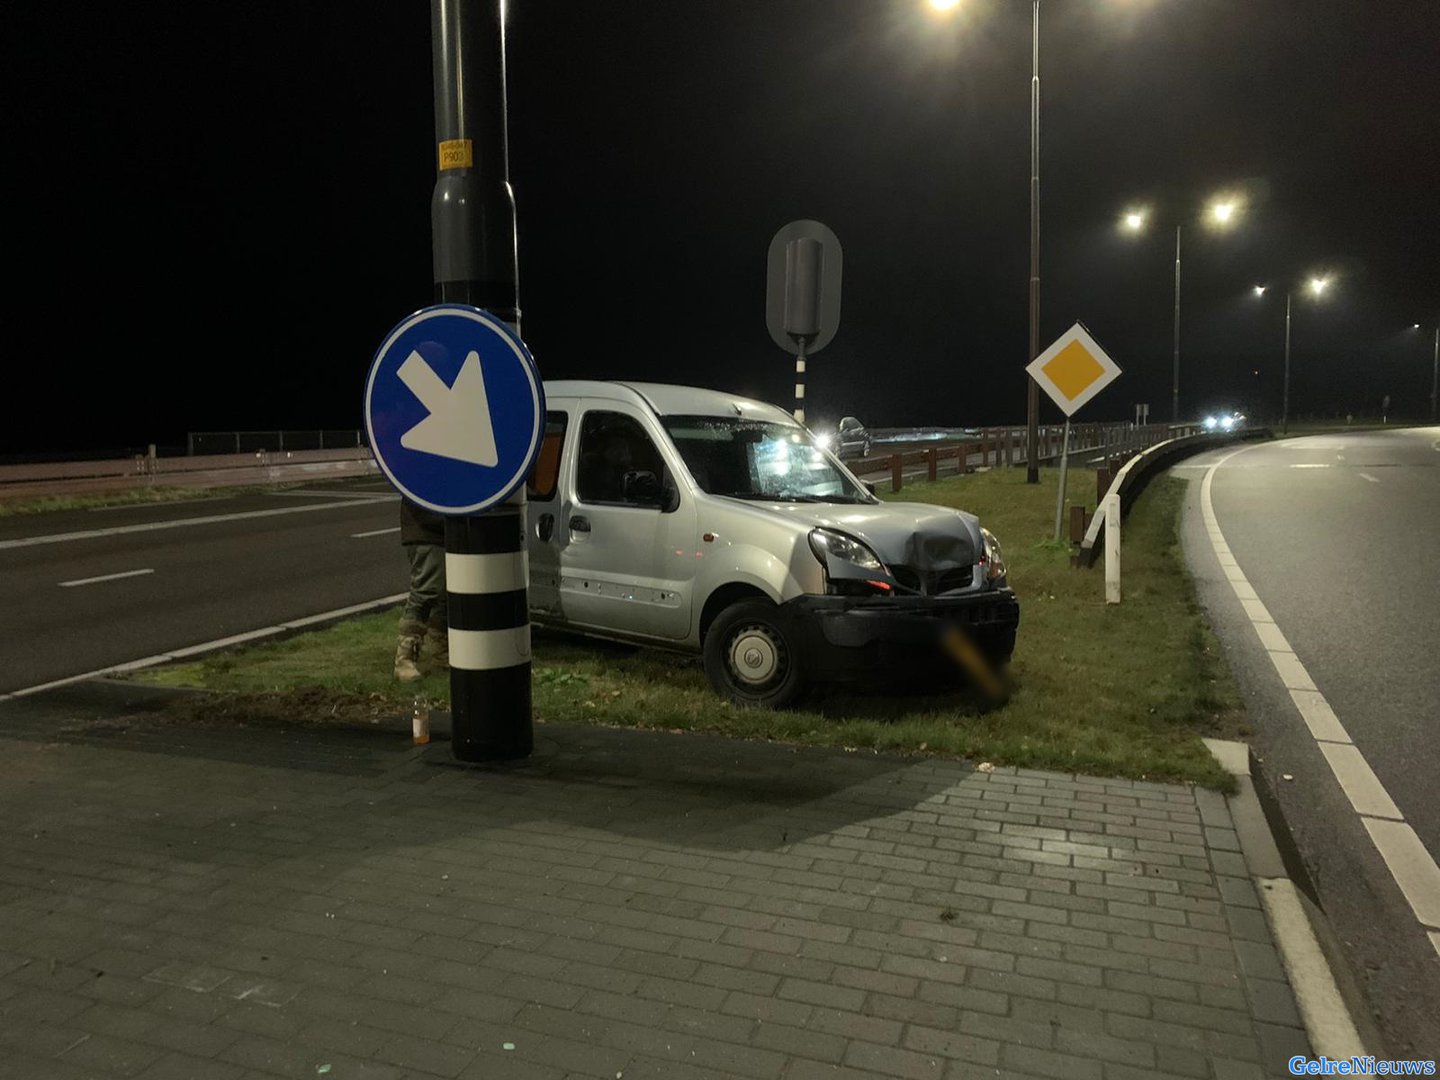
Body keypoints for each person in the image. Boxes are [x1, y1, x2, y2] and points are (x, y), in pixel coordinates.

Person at [395, 499, 448, 682]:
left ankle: (441, 652)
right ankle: (405, 658)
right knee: (426, 591)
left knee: (447, 595)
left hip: (448, 527)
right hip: (426, 529)